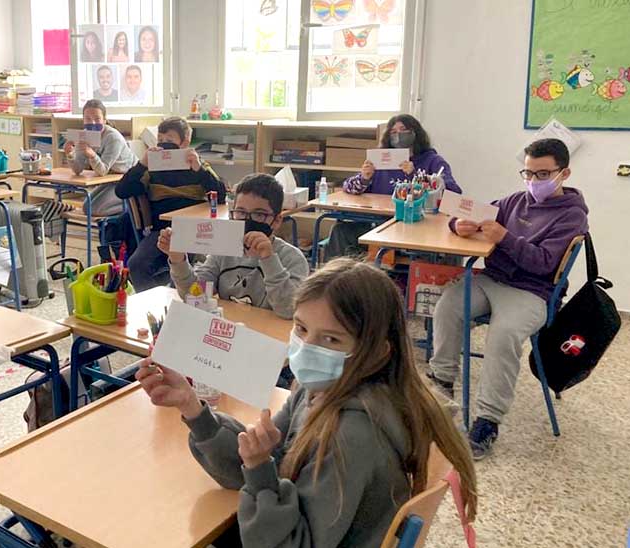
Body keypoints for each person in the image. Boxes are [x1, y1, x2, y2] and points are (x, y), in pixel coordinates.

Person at [136, 258, 478, 547]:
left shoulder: (352, 435)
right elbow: (267, 459)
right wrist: (193, 408)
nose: (308, 347)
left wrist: (258, 470)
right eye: (301, 329)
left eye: (330, 338)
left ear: (376, 352)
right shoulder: (322, 388)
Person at [428, 138, 589, 460]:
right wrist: (457, 224)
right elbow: (465, 214)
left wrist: (505, 237)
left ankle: (488, 420)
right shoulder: (514, 201)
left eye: (542, 174)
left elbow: (543, 263)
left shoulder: (573, 216)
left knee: (503, 334)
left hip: (533, 291)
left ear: (564, 173)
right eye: (527, 173)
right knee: (447, 307)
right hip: (492, 279)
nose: (533, 182)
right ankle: (440, 387)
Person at [159, 173, 308, 319]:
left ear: (276, 220)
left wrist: (268, 259)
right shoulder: (224, 250)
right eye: (241, 212)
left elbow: (288, 310)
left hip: (270, 337)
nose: (248, 220)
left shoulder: (292, 258)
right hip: (230, 333)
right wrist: (178, 259)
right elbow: (195, 296)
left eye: (259, 214)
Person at [326, 114, 462, 259]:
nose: (398, 135)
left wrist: (416, 175)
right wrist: (364, 178)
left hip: (415, 224)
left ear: (415, 133)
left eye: (403, 130)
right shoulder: (381, 159)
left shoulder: (432, 161)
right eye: (393, 132)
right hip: (379, 222)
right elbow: (349, 187)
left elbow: (453, 192)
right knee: (340, 230)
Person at [115, 116, 225, 290]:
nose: (164, 144)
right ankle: (153, 302)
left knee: (186, 269)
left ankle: (178, 299)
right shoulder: (152, 167)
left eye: (169, 140)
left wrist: (199, 170)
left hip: (193, 231)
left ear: (184, 142)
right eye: (160, 140)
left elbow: (221, 196)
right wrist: (142, 164)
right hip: (162, 231)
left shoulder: (197, 164)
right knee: (136, 264)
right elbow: (122, 191)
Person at [64, 99, 135, 177]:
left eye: (97, 119)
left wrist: (92, 155)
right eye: (88, 119)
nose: (92, 123)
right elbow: (78, 170)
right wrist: (70, 154)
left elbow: (102, 171)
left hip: (127, 176)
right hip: (108, 176)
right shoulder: (83, 135)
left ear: (104, 120)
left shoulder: (113, 138)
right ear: (83, 120)